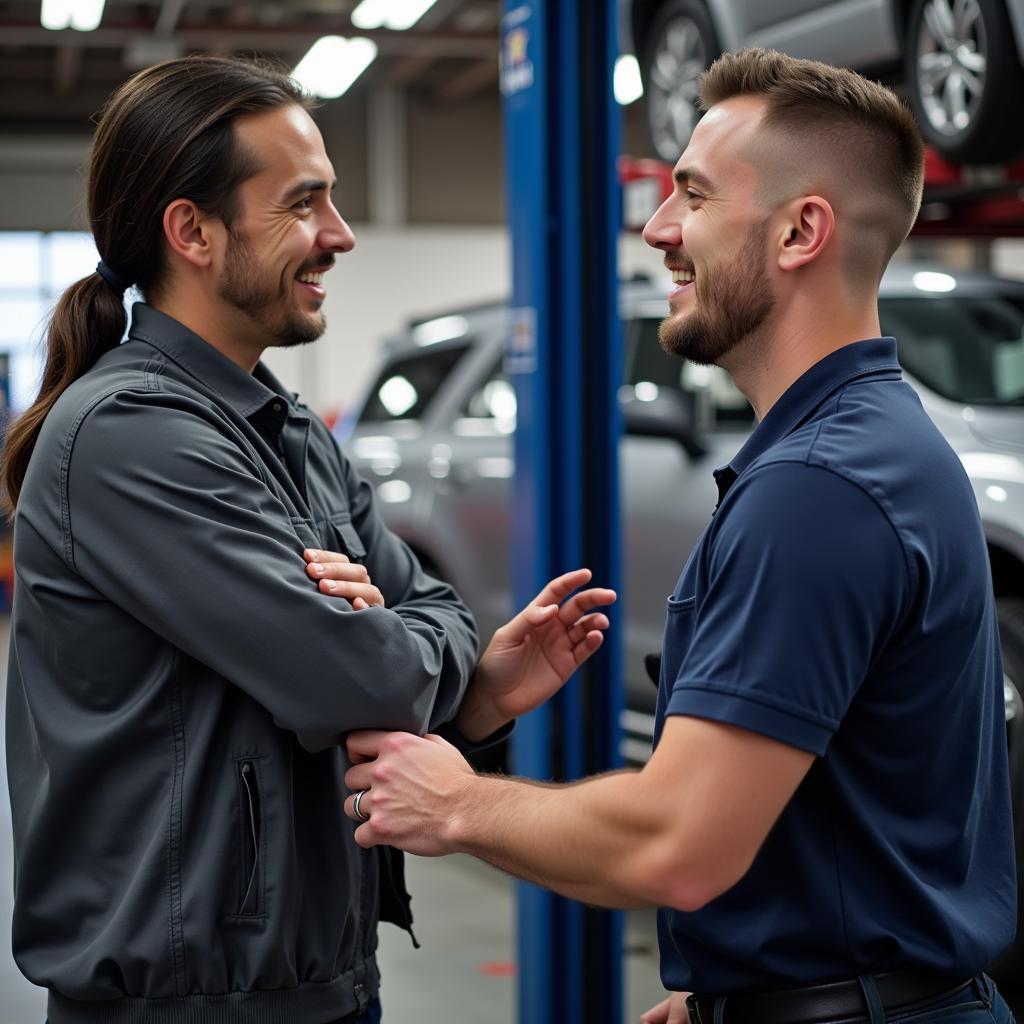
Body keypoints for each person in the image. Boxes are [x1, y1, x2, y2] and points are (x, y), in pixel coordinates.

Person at [340, 47, 1019, 1024]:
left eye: (691, 197)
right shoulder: (882, 441)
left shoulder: (816, 488)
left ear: (799, 231)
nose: (658, 229)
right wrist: (742, 993)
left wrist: (458, 802)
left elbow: (678, 843)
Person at [2, 55, 616, 1024]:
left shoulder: (286, 430)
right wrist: (383, 643)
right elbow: (359, 676)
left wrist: (457, 682)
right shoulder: (128, 437)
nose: (339, 234)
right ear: (191, 231)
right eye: (304, 204)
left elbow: (433, 609)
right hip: (189, 1009)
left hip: (319, 985)